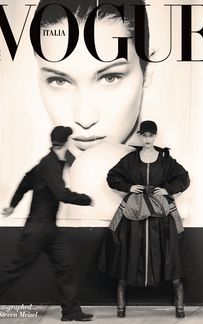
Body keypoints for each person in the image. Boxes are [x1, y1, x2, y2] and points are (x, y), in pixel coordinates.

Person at [33, 0, 151, 220]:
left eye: (110, 77)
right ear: (39, 78)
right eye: (58, 80)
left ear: (148, 71)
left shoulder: (93, 171)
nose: (85, 118)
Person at [0, 126, 94, 322]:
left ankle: (70, 311)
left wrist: (12, 205)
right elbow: (62, 194)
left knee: (66, 265)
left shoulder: (52, 162)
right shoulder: (49, 164)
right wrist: (87, 199)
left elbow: (26, 181)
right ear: (67, 141)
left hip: (48, 228)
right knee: (16, 268)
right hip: (38, 229)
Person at [98, 120, 190, 318]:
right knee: (126, 255)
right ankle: (121, 306)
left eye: (151, 135)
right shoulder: (130, 159)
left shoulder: (166, 160)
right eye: (144, 135)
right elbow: (112, 176)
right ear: (140, 136)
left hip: (161, 215)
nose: (147, 139)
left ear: (155, 136)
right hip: (134, 213)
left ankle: (180, 306)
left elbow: (184, 178)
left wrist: (168, 189)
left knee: (171, 257)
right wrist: (128, 187)